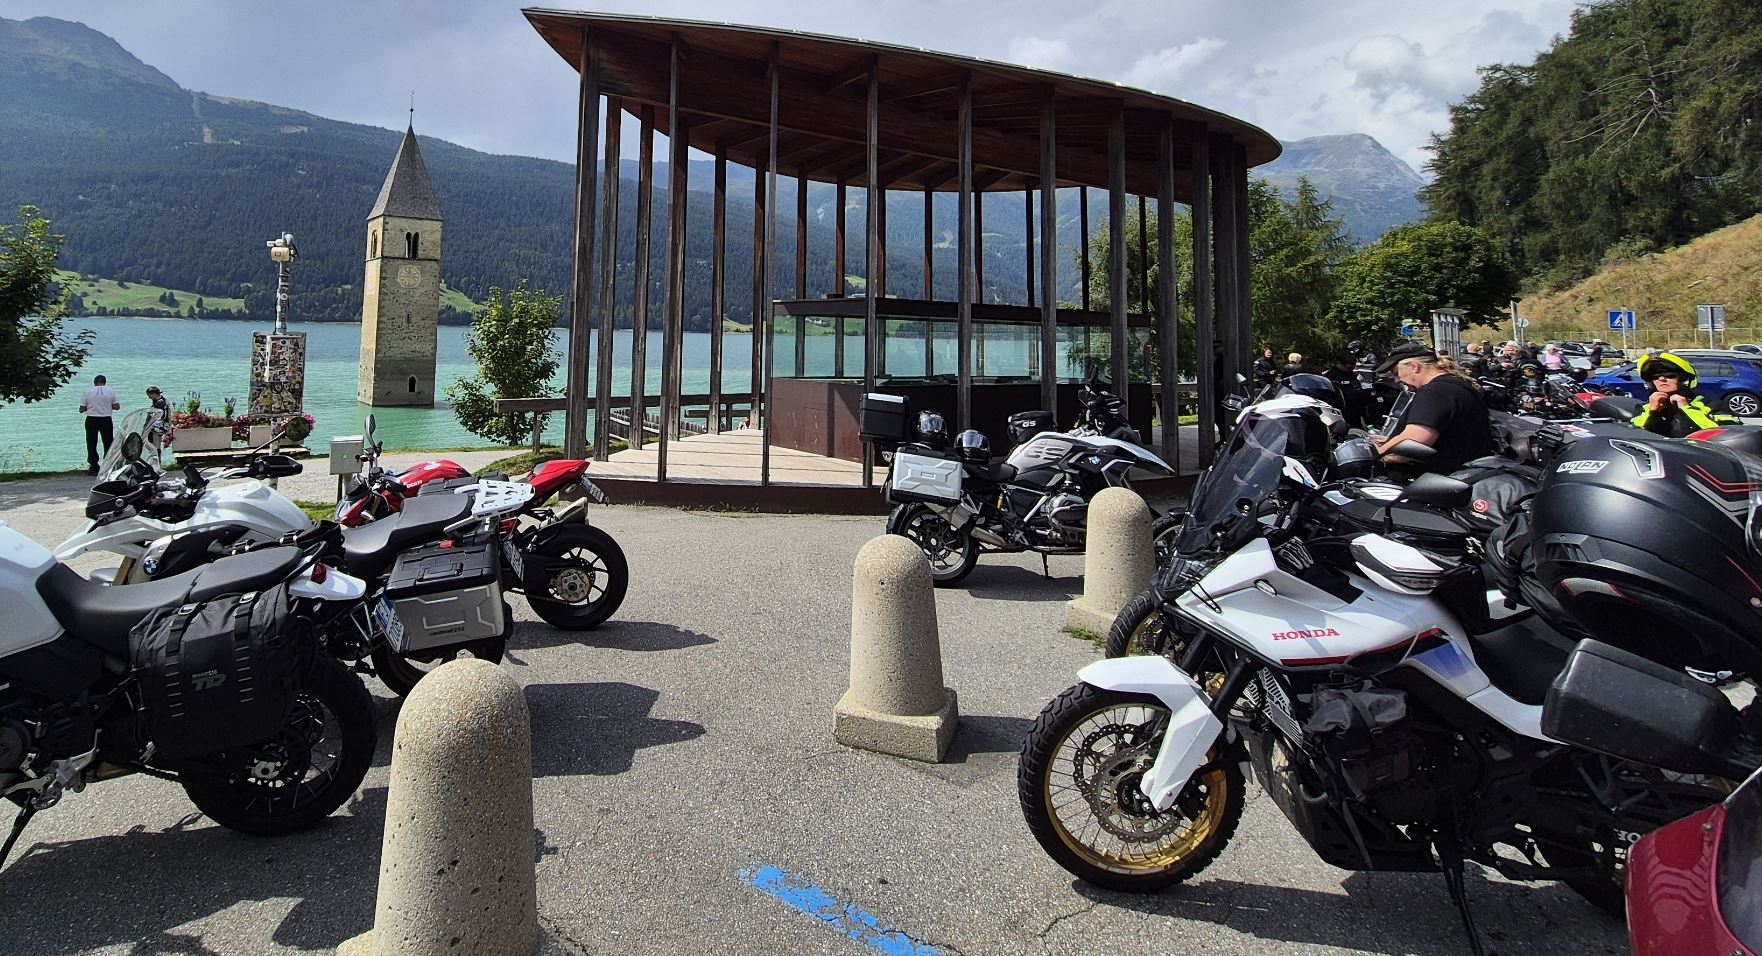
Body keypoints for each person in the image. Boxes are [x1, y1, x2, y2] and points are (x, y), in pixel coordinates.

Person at [1370, 343, 1491, 474]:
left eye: (1396, 373)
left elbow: (1415, 441)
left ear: (1414, 367)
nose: (1396, 380)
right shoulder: (1455, 384)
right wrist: (1393, 441)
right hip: (1467, 472)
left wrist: (1376, 453)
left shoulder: (1434, 392)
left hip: (1440, 476)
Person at [1633, 352, 1727, 438]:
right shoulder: (1646, 407)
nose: (1661, 379)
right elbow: (1634, 436)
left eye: (1670, 375)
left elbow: (1723, 434)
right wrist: (1652, 411)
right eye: (1655, 377)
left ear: (1684, 380)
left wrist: (1687, 409)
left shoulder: (1708, 403)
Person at [79, 374, 121, 475]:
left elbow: (82, 409)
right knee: (108, 442)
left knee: (91, 443)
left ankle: (94, 466)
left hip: (91, 419)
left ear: (94, 382)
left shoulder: (88, 392)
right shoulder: (111, 391)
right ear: (105, 382)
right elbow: (116, 406)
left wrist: (91, 407)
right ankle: (108, 464)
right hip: (106, 419)